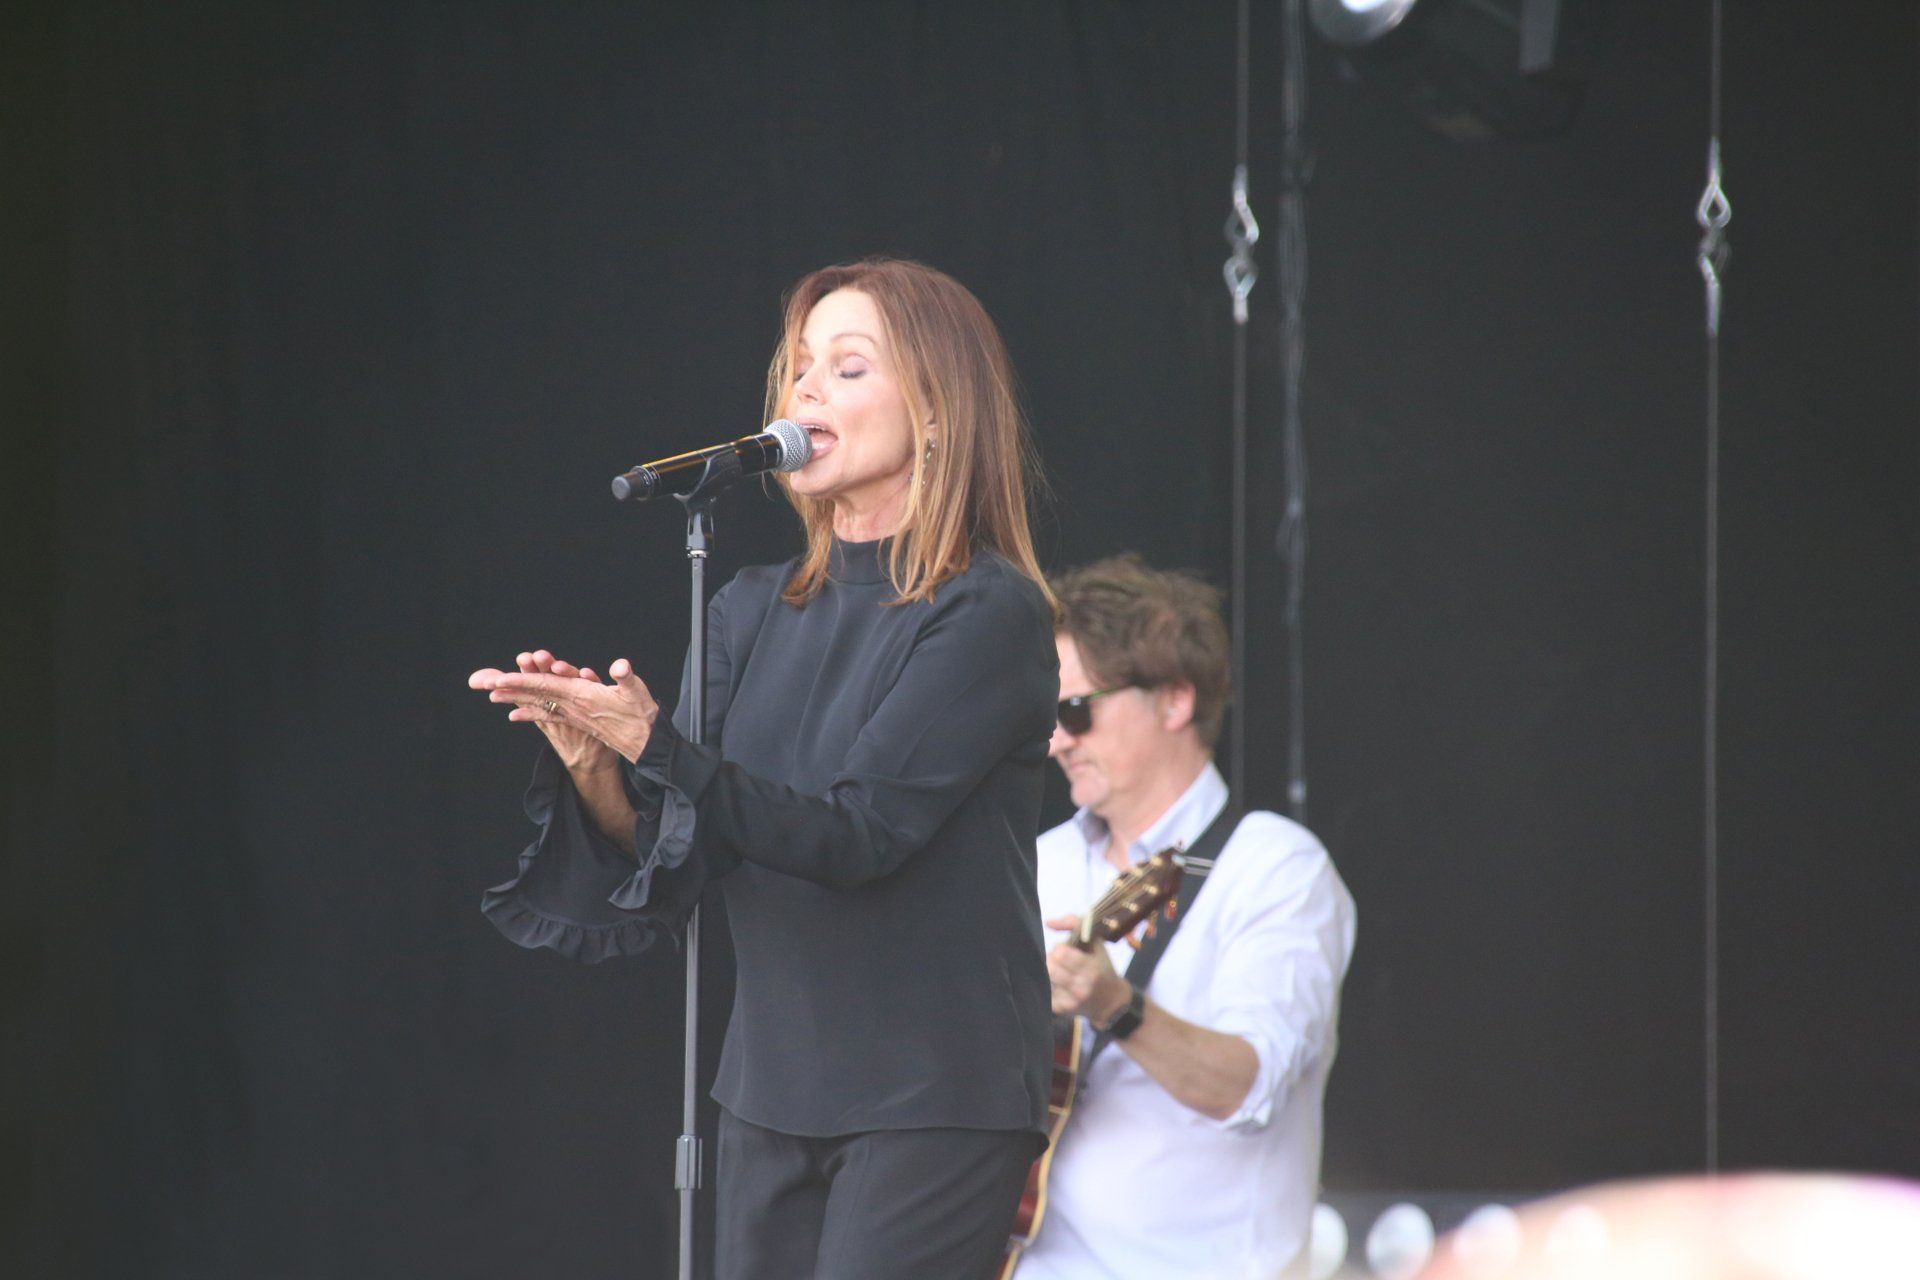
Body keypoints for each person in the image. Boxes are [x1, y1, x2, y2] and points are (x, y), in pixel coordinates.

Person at [467, 258, 1060, 1280]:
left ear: (936, 412)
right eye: (797, 367)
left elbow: (859, 836)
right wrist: (599, 764)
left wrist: (658, 745)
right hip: (771, 1087)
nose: (806, 388)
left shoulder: (985, 613)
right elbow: (687, 841)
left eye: (848, 366)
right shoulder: (748, 605)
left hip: (934, 1096)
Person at [1011, 555, 1356, 1280]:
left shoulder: (1277, 869)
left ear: (1174, 701)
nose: (1056, 740)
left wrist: (1114, 1004)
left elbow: (1247, 1087)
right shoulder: (1036, 862)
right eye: (1047, 714)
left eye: (1077, 711)